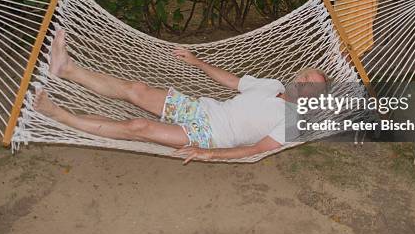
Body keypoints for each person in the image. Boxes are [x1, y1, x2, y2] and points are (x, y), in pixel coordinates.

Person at [34, 30, 327, 164]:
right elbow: (234, 81)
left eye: (310, 86)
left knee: (139, 128)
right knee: (137, 89)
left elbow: (255, 149)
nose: (303, 83)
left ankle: (59, 115)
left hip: (210, 134)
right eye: (304, 77)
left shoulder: (293, 123)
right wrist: (196, 62)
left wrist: (209, 153)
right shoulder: (271, 84)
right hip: (202, 108)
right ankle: (67, 69)